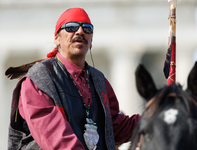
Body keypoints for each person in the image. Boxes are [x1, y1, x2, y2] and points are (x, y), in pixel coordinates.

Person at [7, 8, 141, 150]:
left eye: (87, 29)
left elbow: (114, 127)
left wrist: (158, 114)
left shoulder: (99, 80)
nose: (80, 31)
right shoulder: (38, 80)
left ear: (91, 41)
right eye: (71, 27)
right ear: (57, 39)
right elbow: (57, 139)